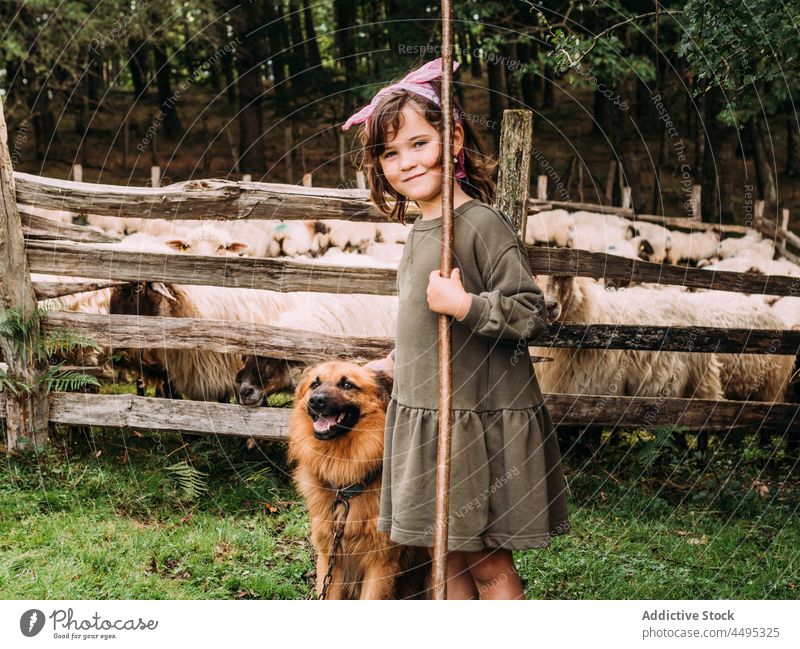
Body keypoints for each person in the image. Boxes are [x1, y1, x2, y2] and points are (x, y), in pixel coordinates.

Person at [344, 58, 570, 600]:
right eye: (390, 153)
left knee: (484, 559)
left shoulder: (480, 224)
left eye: (420, 143)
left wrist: (465, 303)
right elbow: (426, 321)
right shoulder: (422, 228)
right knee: (444, 557)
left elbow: (529, 311)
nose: (407, 162)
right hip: (428, 411)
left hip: (472, 420)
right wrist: (400, 360)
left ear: (455, 139)